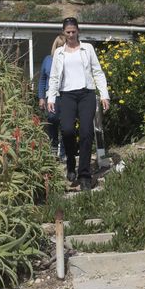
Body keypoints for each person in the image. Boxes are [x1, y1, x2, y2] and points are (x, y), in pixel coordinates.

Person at [47, 17, 110, 191]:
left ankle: (84, 175)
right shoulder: (59, 52)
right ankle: (70, 162)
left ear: (78, 31)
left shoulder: (87, 48)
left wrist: (104, 95)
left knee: (86, 132)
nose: (71, 35)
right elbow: (54, 77)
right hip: (66, 95)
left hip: (86, 94)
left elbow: (97, 72)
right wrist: (51, 97)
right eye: (68, 32)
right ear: (63, 32)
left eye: (73, 31)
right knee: (67, 130)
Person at [38, 35, 65, 159]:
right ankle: (54, 145)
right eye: (59, 46)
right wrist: (41, 97)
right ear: (55, 46)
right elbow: (42, 79)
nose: (61, 48)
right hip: (51, 96)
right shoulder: (48, 60)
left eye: (63, 46)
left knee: (65, 124)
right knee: (52, 119)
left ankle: (64, 152)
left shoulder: (68, 60)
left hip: (66, 95)